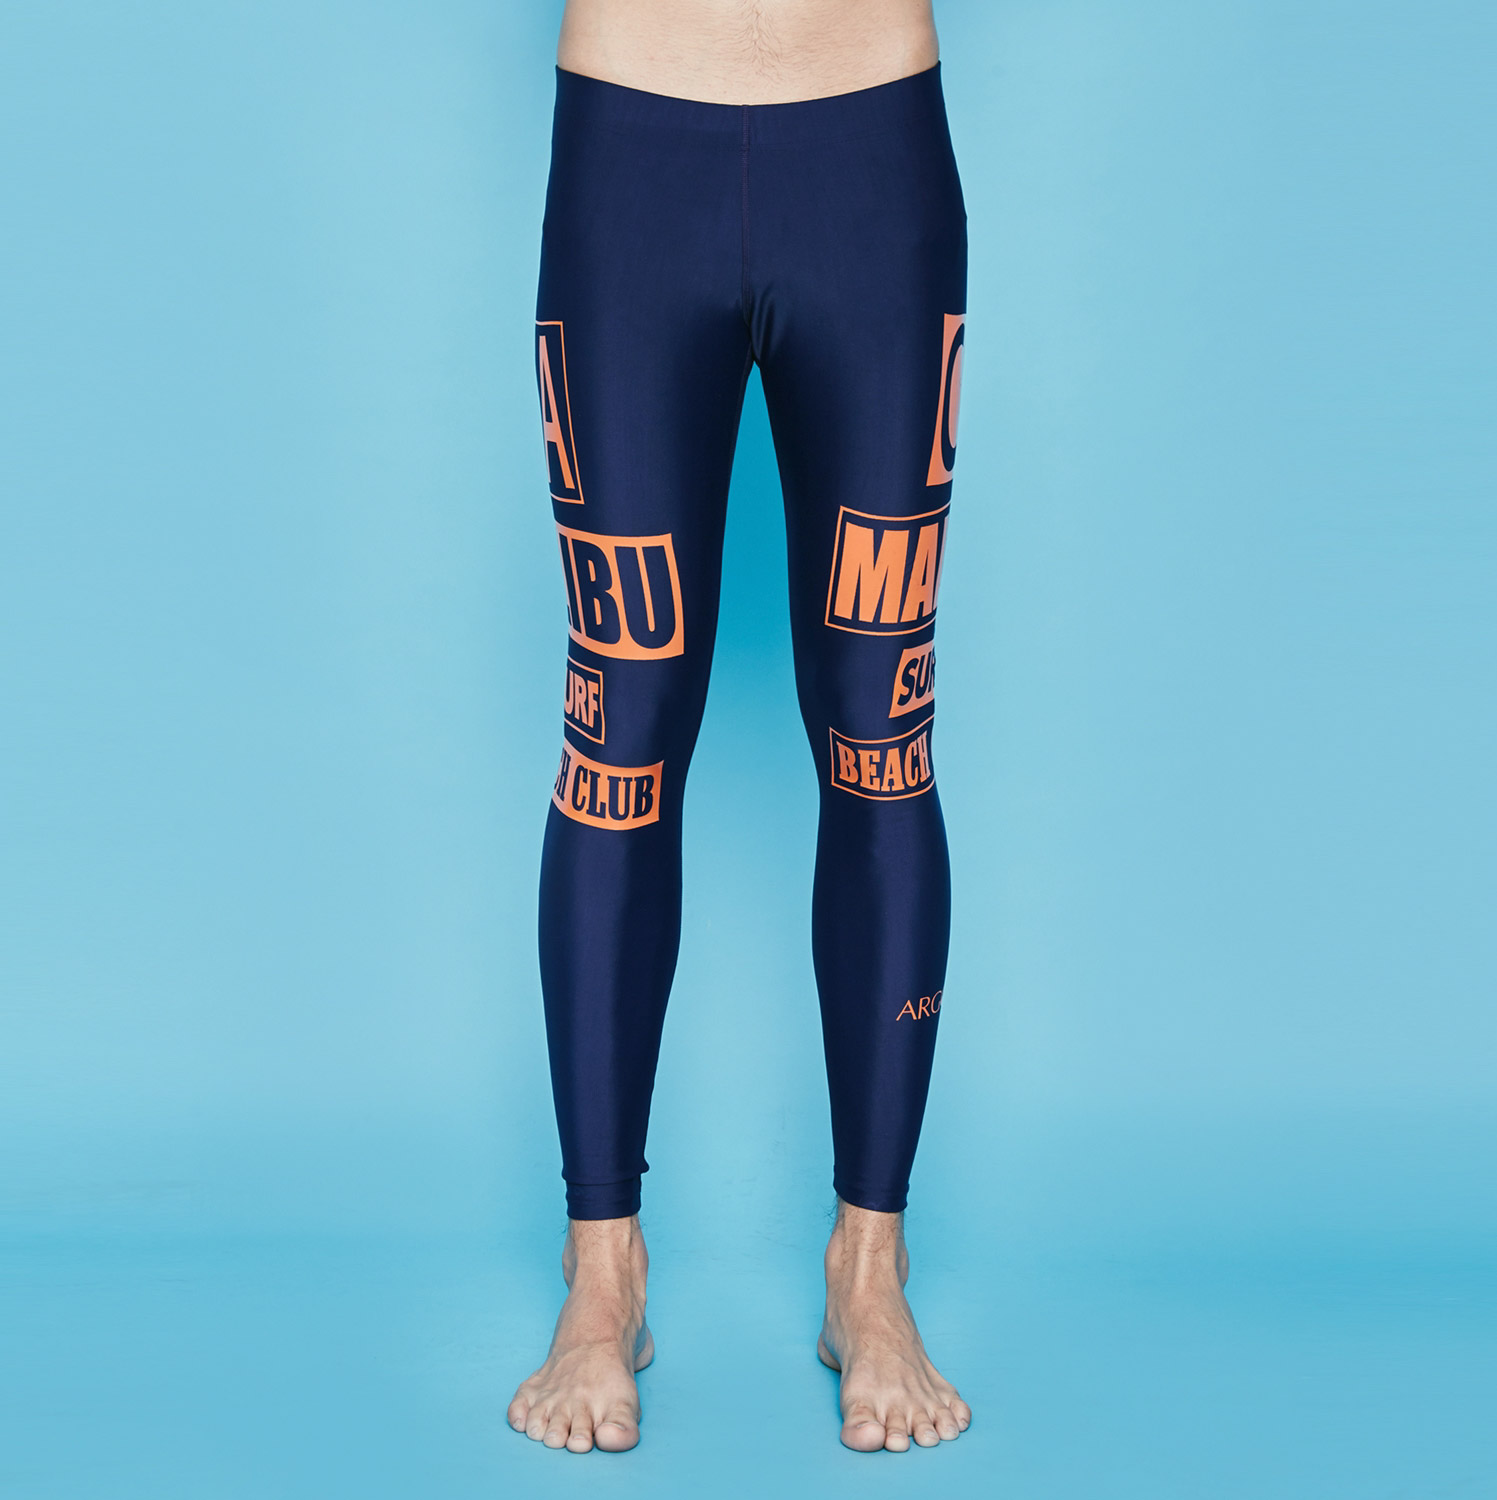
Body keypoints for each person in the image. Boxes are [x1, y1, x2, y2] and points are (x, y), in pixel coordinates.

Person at [508, 0, 972, 1455]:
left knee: (881, 726)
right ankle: (603, 1277)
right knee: (621, 721)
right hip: (632, 148)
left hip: (873, 149)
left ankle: (869, 1271)